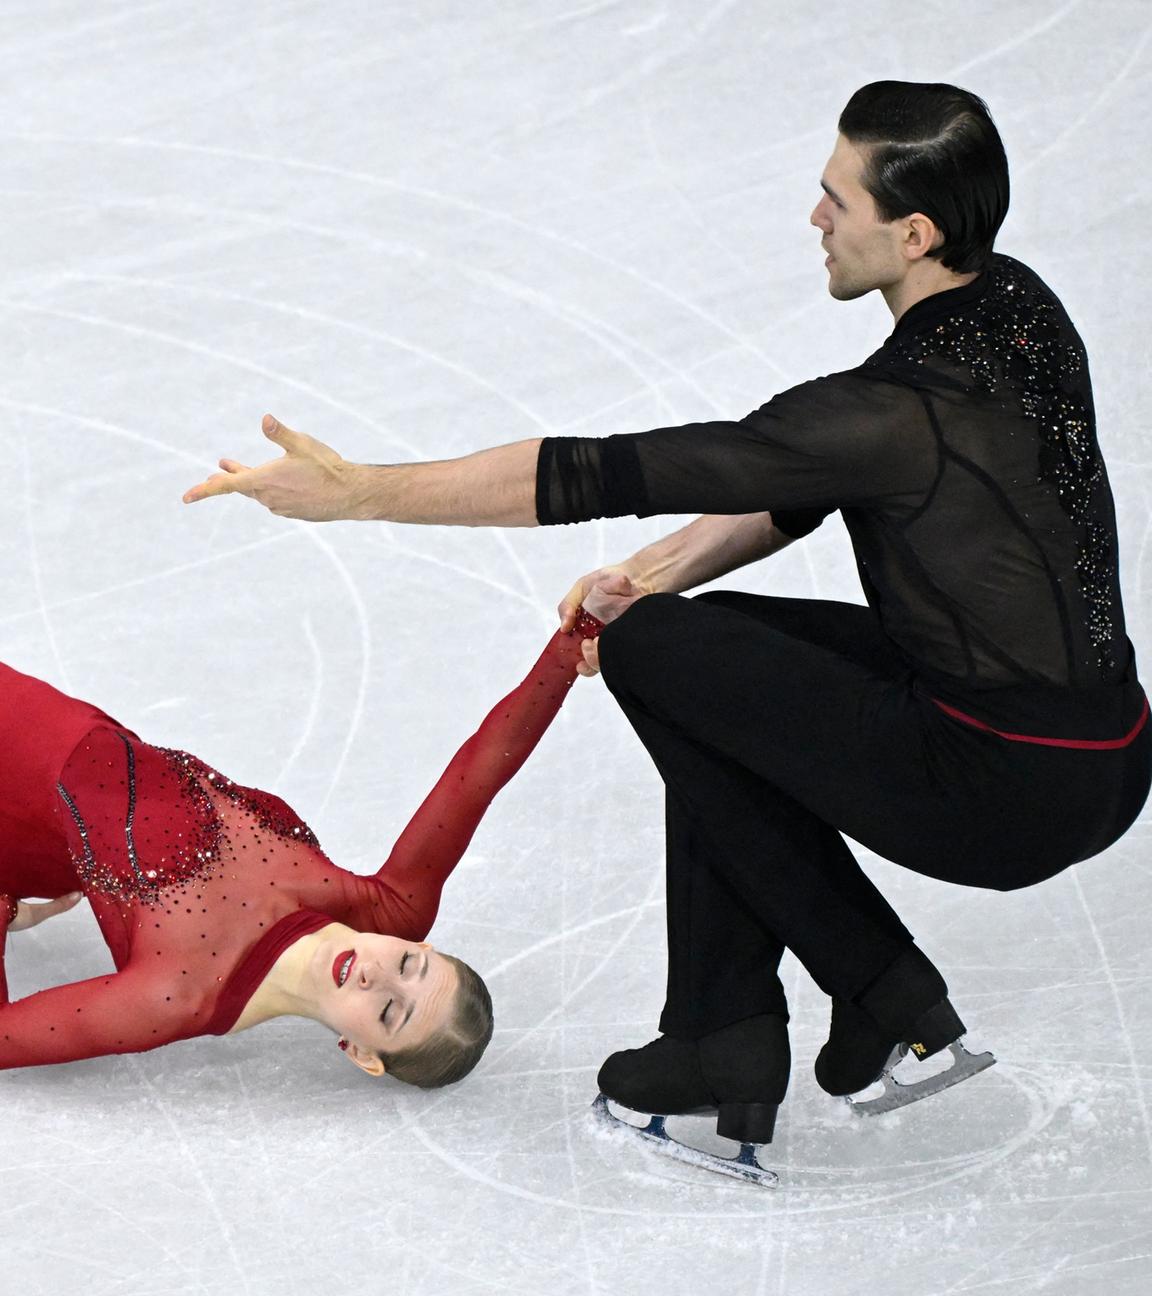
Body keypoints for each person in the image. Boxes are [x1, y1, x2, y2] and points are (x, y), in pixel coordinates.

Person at [182, 80, 1151, 1176]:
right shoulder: (1020, 309)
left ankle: (882, 992)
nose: (816, 218)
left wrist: (362, 493)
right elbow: (804, 488)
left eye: (840, 200)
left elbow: (600, 470)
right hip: (1103, 747)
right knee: (700, 647)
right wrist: (655, 571)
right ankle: (720, 1035)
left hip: (1004, 788)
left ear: (914, 233)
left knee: (655, 654)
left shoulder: (890, 411)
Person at [0, 607, 602, 1085]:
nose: (375, 976)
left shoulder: (174, 998)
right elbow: (477, 775)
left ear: (362, 1053)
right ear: (416, 944)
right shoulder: (386, 909)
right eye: (408, 966)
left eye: (391, 1013)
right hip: (47, 774)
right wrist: (572, 647)